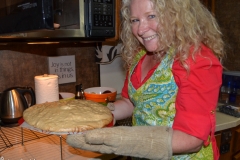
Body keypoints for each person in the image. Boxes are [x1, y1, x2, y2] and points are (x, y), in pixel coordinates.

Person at [67, 0, 225, 159]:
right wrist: (103, 113)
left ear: (178, 16)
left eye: (151, 16)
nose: (141, 30)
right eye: (135, 20)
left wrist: (123, 141)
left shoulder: (197, 60)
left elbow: (191, 139)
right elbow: (132, 103)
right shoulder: (141, 56)